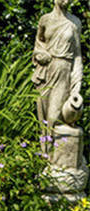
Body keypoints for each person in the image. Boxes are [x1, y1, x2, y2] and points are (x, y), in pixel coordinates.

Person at [32, 0, 83, 139]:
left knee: (53, 117)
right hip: (45, 71)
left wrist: (76, 85)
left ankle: (56, 155)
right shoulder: (45, 20)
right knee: (42, 117)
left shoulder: (75, 22)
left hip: (63, 72)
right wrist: (39, 54)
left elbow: (77, 56)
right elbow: (38, 45)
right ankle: (45, 156)